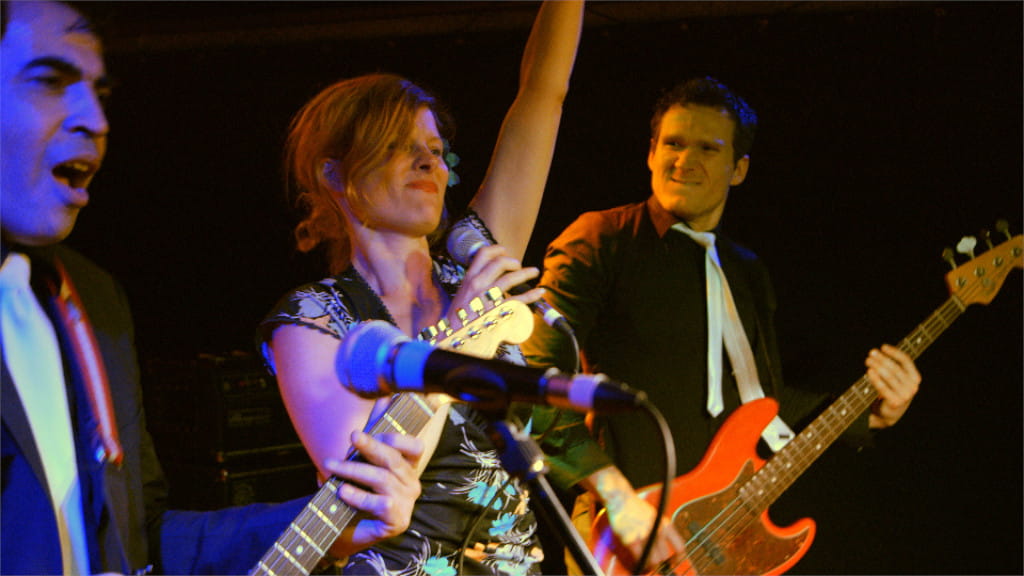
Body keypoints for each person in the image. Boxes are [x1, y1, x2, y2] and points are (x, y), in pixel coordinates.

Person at [0, 1, 424, 574]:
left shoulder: (92, 301)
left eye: (99, 92)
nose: (95, 121)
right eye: (49, 80)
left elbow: (140, 538)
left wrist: (333, 527)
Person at [521, 76, 922, 570]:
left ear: (739, 169)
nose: (685, 161)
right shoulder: (601, 239)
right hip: (628, 535)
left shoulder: (746, 270)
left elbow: (761, 398)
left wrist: (873, 412)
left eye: (707, 149)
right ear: (651, 153)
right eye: (673, 144)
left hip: (722, 542)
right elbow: (536, 383)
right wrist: (616, 494)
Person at [256, 2, 584, 574]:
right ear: (335, 175)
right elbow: (368, 490)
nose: (428, 162)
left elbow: (543, 94)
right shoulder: (313, 319)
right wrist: (458, 336)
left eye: (435, 150)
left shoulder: (469, 269)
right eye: (397, 146)